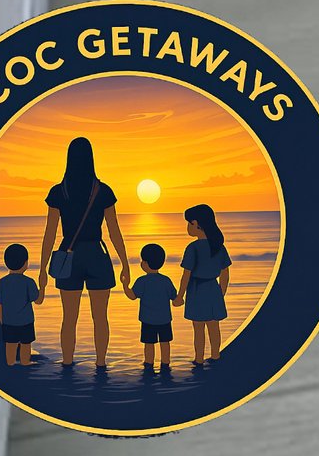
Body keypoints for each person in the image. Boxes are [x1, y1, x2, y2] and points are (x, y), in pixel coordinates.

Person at [35, 137, 128, 369]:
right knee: (100, 317)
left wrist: (43, 268)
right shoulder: (103, 191)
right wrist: (125, 263)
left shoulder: (59, 192)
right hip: (97, 254)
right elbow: (114, 230)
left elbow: (50, 233)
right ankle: (101, 364)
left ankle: (67, 363)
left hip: (69, 255)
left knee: (69, 318)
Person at [178, 204, 230, 364]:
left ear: (197, 224)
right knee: (214, 328)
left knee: (198, 329)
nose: (187, 227)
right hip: (213, 289)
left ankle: (198, 359)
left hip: (197, 290)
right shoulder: (218, 247)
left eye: (189, 223)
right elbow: (225, 273)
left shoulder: (192, 248)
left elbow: (185, 275)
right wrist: (221, 292)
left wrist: (180, 296)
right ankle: (216, 355)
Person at [125, 244, 178, 372]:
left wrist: (125, 285)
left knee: (149, 344)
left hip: (148, 320)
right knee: (165, 342)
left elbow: (132, 296)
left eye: (142, 261)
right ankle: (165, 363)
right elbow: (174, 297)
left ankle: (149, 363)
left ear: (146, 263)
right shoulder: (166, 280)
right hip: (164, 319)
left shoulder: (142, 281)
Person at [0, 244, 40, 366]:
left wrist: (0, 321)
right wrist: (42, 288)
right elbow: (37, 300)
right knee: (26, 344)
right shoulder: (29, 282)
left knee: (10, 344)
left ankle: (10, 363)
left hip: (8, 322)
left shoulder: (2, 282)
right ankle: (25, 362)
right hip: (26, 321)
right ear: (26, 263)